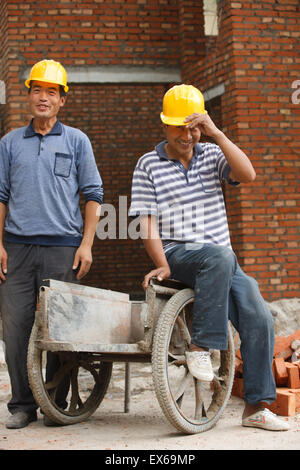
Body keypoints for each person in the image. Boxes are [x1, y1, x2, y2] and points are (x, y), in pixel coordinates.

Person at [129, 84, 289, 431]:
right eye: (178, 127)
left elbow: (248, 174)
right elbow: (147, 222)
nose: (187, 135)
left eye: (193, 127)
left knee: (259, 316)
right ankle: (202, 346)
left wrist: (216, 132)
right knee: (217, 256)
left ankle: (257, 409)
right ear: (164, 125)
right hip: (179, 254)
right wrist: (162, 263)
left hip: (221, 260)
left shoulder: (213, 155)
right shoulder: (148, 165)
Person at [0, 59, 103, 429]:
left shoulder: (77, 141)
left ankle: (54, 404)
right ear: (28, 96)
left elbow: (93, 195)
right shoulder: (9, 143)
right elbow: (0, 196)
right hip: (17, 248)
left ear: (62, 101)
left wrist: (86, 244)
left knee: (60, 328)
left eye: (52, 92)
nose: (43, 98)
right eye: (37, 90)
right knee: (15, 329)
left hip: (63, 247)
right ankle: (22, 405)